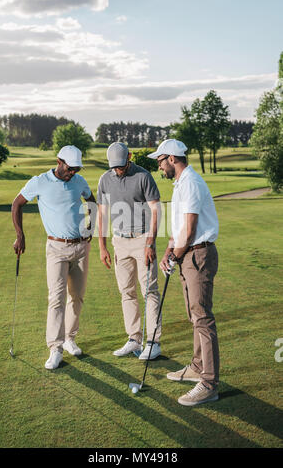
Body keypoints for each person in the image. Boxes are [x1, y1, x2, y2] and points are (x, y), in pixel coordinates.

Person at [148, 139, 220, 406]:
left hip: (198, 254)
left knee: (203, 318)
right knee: (194, 315)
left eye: (160, 161)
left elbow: (190, 230)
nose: (159, 166)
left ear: (172, 158)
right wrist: (169, 250)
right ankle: (197, 367)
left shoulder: (190, 182)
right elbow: (179, 227)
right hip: (188, 253)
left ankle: (210, 384)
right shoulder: (181, 183)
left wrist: (174, 256)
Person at [12, 145, 96, 370]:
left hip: (80, 248)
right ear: (59, 161)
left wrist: (91, 226)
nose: (73, 173)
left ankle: (70, 339)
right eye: (70, 168)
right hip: (56, 249)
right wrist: (20, 236)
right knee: (56, 298)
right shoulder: (40, 182)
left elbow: (92, 202)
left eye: (76, 169)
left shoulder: (78, 182)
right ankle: (55, 349)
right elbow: (17, 204)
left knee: (77, 297)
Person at [97, 142, 162, 360]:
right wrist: (102, 246)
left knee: (149, 291)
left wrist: (150, 243)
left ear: (129, 157)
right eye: (114, 166)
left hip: (143, 239)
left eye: (121, 166)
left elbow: (155, 209)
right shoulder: (105, 179)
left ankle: (153, 342)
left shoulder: (144, 177)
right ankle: (134, 339)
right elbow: (102, 214)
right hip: (119, 242)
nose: (118, 170)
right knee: (127, 291)